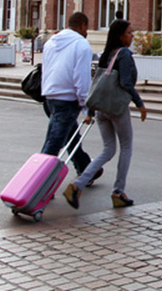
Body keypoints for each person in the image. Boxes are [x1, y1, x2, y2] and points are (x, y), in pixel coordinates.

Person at [63, 19, 147, 209]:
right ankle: (119, 192)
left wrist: (91, 111)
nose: (132, 36)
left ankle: (78, 185)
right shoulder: (124, 54)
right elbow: (125, 82)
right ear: (120, 36)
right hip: (117, 108)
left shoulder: (105, 54)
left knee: (108, 149)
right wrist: (139, 103)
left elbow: (98, 84)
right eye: (129, 32)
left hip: (101, 109)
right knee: (126, 147)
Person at [40, 11, 101, 183]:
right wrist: (86, 104)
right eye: (86, 28)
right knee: (53, 144)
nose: (87, 32)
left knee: (69, 136)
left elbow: (47, 69)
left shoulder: (52, 41)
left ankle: (85, 169)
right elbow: (81, 78)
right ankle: (38, 184)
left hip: (50, 96)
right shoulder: (81, 45)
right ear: (82, 26)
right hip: (67, 99)